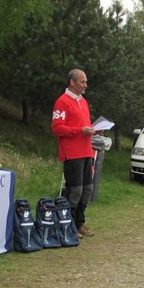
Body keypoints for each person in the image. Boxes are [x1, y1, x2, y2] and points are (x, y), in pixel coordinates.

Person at [51, 68, 96, 239]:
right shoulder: (62, 101)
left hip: (86, 152)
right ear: (72, 82)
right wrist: (80, 131)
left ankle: (79, 222)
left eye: (85, 81)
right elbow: (57, 127)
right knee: (75, 191)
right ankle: (67, 225)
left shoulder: (83, 101)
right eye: (82, 81)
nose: (86, 85)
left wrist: (93, 131)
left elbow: (85, 126)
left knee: (87, 190)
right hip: (72, 153)